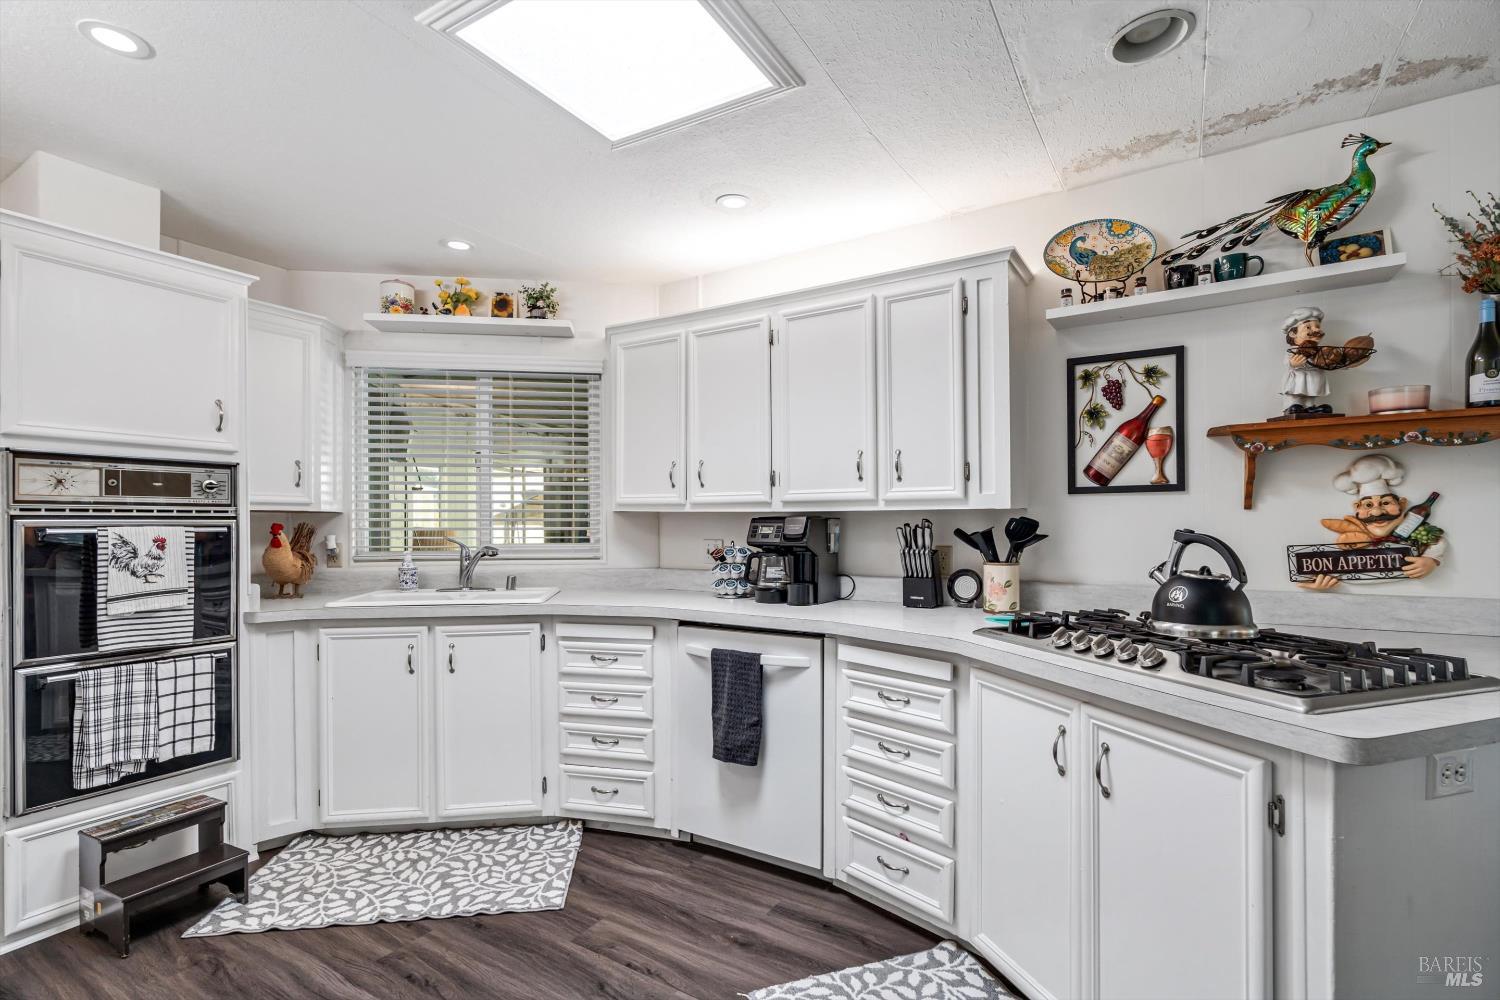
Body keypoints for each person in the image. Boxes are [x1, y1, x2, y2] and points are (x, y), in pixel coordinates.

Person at [1299, 454, 1446, 591]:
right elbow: (1324, 562)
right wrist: (1318, 580)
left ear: (1402, 504)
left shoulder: (1409, 527)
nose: (1377, 512)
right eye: (1368, 505)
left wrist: (1431, 560)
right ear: (1356, 508)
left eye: (1386, 503)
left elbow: (1435, 540)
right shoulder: (1351, 536)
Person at [1281, 305, 1331, 415]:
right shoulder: (1293, 350)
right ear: (1293, 333)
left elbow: (1329, 361)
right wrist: (1292, 363)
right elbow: (1287, 362)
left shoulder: (1321, 351)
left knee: (1310, 393)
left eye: (1317, 326)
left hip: (1314, 377)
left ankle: (1310, 407)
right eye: (1308, 327)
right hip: (1298, 377)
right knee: (1296, 395)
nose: (1316, 330)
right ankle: (1291, 407)